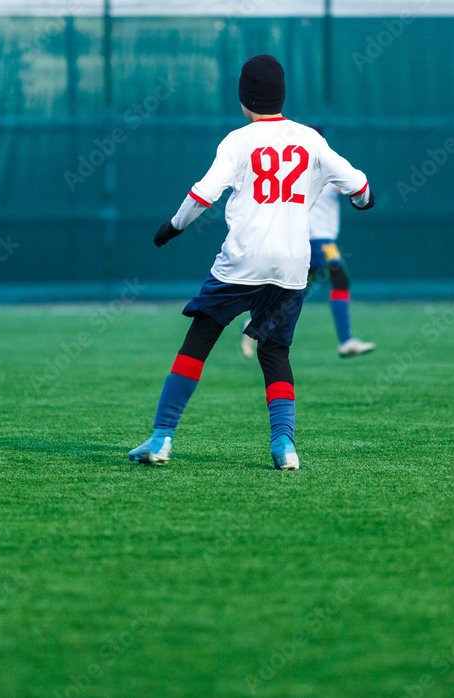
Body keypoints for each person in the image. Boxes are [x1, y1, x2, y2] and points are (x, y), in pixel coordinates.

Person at [129, 54, 374, 470]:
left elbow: (202, 195)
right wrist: (363, 201)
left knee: (197, 343)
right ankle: (285, 448)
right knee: (275, 353)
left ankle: (161, 439)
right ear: (282, 94)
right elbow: (360, 186)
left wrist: (171, 228)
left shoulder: (237, 141)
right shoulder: (310, 139)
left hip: (242, 262)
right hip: (292, 266)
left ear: (244, 99)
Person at [241, 125, 375, 359]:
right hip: (318, 240)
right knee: (340, 280)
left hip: (303, 240)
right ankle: (345, 341)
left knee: (296, 293)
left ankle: (256, 324)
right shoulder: (326, 168)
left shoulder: (299, 167)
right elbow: (355, 187)